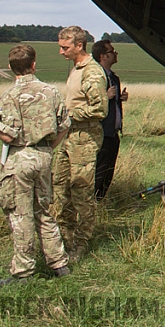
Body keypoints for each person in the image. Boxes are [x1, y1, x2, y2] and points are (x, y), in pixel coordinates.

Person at [0, 44, 71, 286]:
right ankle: (59, 264)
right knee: (44, 210)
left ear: (10, 67)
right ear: (33, 64)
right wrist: (47, 148)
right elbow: (65, 124)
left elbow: (9, 135)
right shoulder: (51, 91)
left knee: (21, 215)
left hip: (20, 159)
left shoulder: (9, 96)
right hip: (44, 157)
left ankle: (23, 272)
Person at [53, 26, 107, 262]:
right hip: (69, 136)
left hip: (83, 138)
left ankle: (82, 243)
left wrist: (70, 116)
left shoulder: (92, 72)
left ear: (79, 46)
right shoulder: (76, 69)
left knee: (81, 190)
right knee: (60, 186)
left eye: (65, 48)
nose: (61, 52)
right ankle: (65, 237)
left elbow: (99, 108)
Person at [91, 39, 126, 200]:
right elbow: (87, 103)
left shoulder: (114, 78)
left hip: (112, 132)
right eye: (112, 52)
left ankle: (100, 199)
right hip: (102, 131)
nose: (115, 54)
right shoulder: (96, 78)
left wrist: (119, 98)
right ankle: (94, 200)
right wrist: (106, 96)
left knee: (108, 169)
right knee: (100, 169)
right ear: (103, 56)